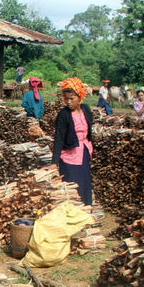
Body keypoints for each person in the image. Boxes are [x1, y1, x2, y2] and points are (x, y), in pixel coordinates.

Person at [51, 77, 94, 205]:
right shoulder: (63, 114)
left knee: (84, 183)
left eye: (72, 98)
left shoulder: (86, 110)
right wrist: (54, 161)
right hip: (69, 156)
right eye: (66, 99)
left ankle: (86, 208)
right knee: (72, 184)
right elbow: (59, 137)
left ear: (80, 97)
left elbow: (89, 131)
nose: (68, 102)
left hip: (84, 152)